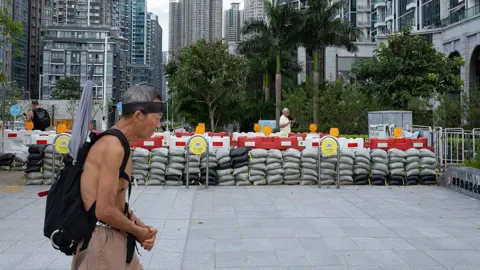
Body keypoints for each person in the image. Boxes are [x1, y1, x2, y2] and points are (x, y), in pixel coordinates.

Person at [72, 85, 162, 270]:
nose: (158, 125)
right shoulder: (113, 147)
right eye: (157, 118)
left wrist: (141, 228)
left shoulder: (119, 144)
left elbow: (115, 205)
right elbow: (103, 211)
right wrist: (138, 232)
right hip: (103, 245)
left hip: (113, 238)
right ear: (138, 115)